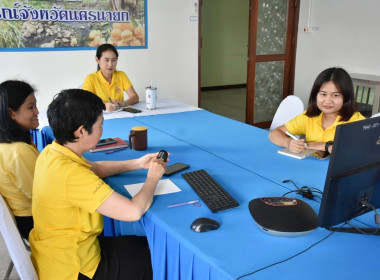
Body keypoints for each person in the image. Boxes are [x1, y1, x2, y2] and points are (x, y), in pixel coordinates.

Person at [29, 89, 167, 280]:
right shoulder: (72, 175)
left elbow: (96, 168)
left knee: (143, 245)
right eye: (100, 125)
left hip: (56, 253)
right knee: (158, 262)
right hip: (75, 269)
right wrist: (153, 177)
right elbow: (133, 211)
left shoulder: (52, 152)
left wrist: (138, 163)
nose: (103, 130)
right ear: (81, 131)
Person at [269, 67, 365, 157]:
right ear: (316, 95)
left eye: (335, 95)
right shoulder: (310, 116)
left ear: (347, 97)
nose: (328, 101)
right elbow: (274, 133)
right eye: (323, 94)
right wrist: (288, 143)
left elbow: (361, 151)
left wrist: (324, 146)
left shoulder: (357, 121)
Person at [0, 80, 39, 240]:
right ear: (11, 113)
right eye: (30, 107)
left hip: (27, 218)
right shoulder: (18, 152)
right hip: (36, 223)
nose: (37, 111)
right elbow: (44, 195)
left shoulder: (7, 142)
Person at [82, 43, 139, 111]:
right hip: (99, 118)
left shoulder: (121, 75)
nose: (110, 64)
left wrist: (124, 103)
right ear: (97, 60)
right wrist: (103, 105)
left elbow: (135, 97)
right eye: (106, 60)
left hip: (120, 116)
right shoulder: (91, 78)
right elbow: (85, 101)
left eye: (113, 60)